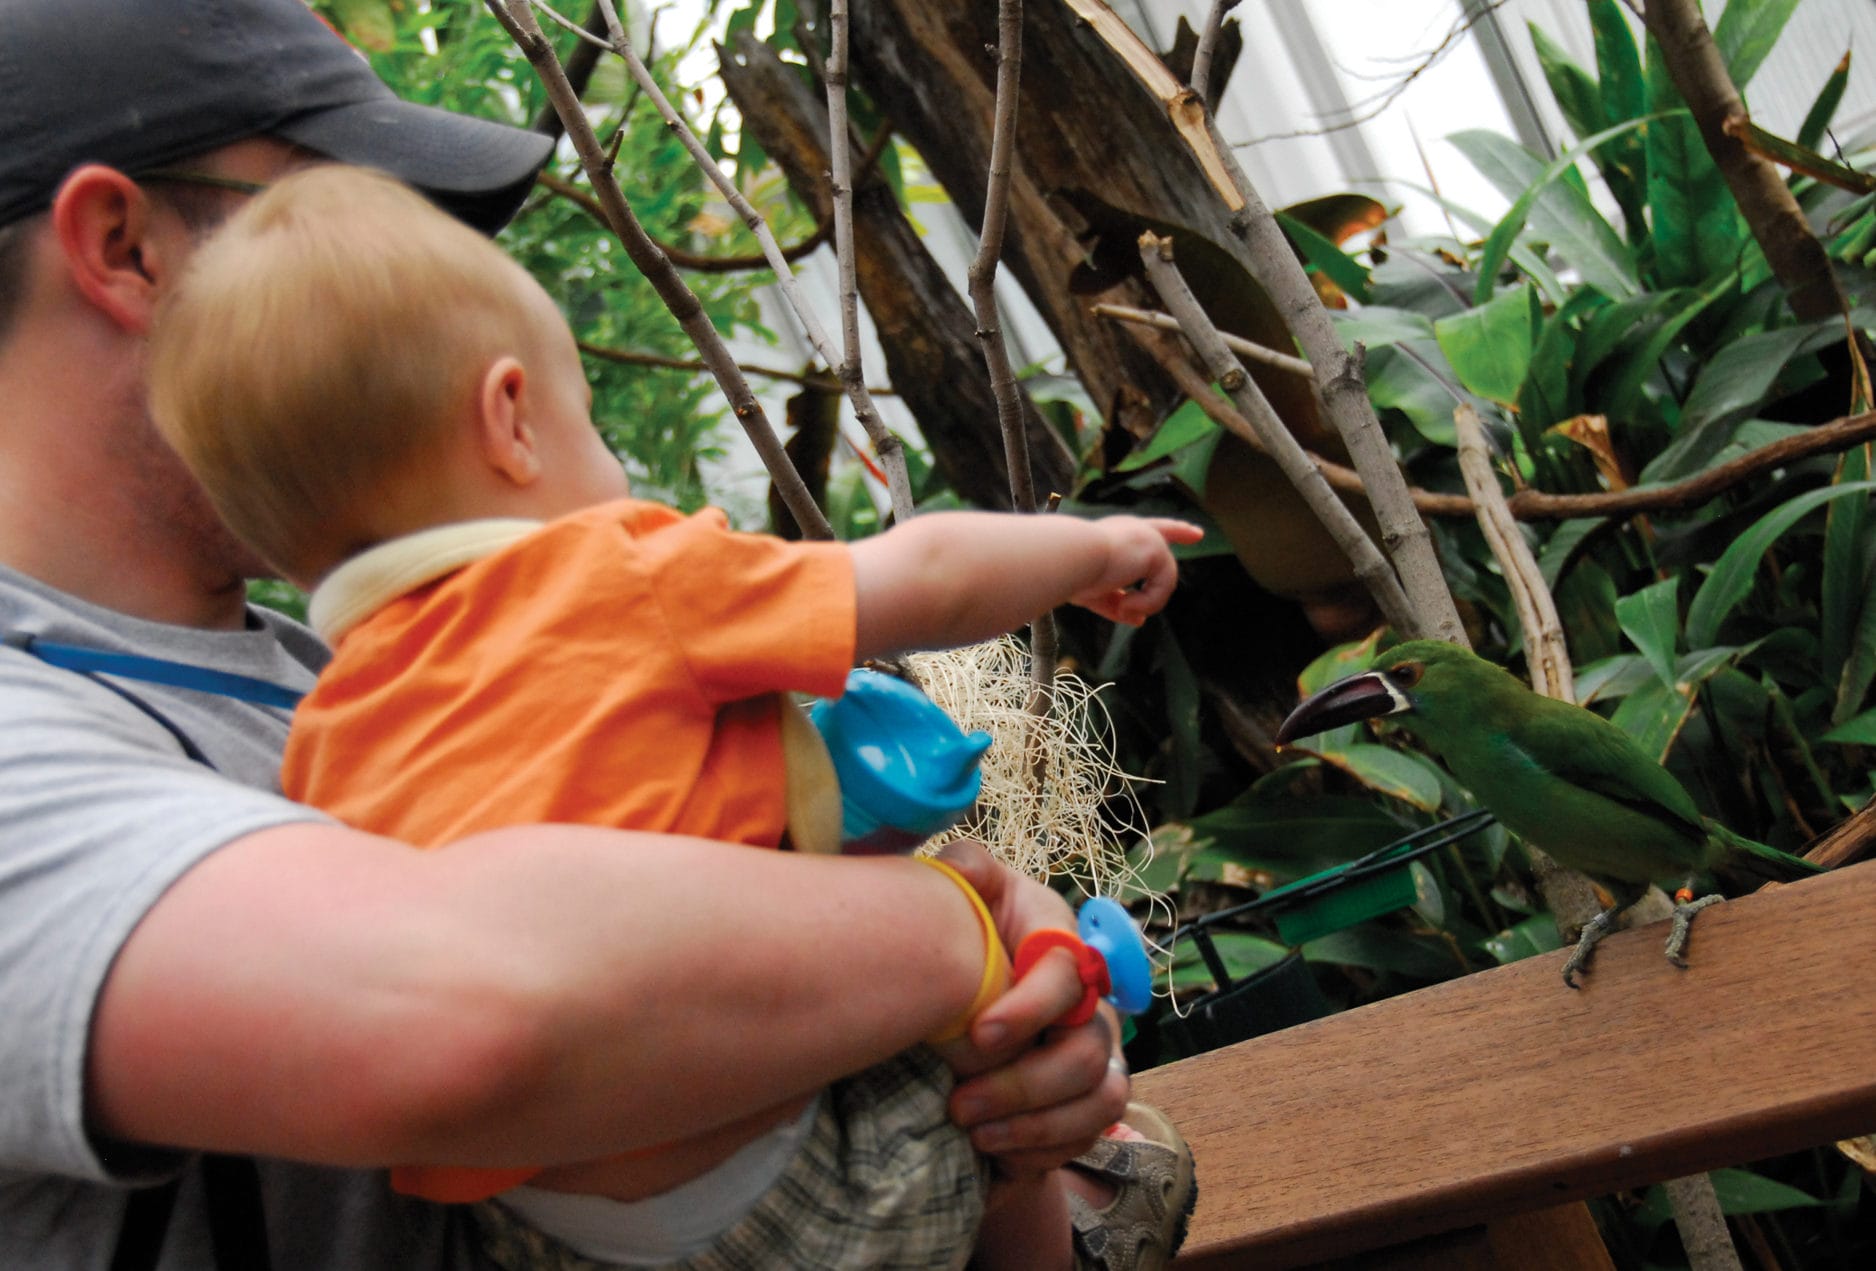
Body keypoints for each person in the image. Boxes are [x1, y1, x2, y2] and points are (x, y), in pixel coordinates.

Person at [0, 2, 1140, 1268]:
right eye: (338, 220)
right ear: (125, 249)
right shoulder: (24, 739)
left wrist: (1010, 1068)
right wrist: (947, 932)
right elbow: (454, 1011)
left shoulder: (363, 686)